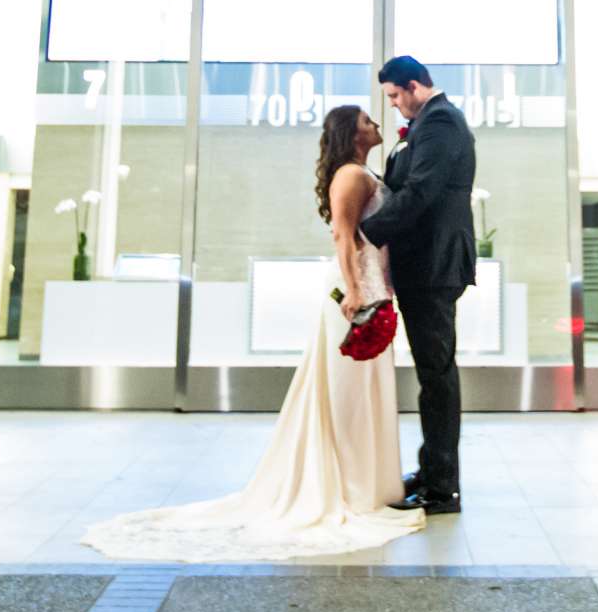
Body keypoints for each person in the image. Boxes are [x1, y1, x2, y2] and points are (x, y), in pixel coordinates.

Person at [80, 105, 423, 562]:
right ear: (350, 133)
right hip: (354, 295)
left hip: (372, 288)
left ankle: (363, 484)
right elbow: (343, 237)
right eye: (365, 120)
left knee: (364, 392)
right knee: (348, 395)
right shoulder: (351, 176)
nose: (375, 124)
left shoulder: (362, 172)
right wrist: (357, 291)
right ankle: (347, 486)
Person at [358, 54, 476, 516]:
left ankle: (442, 488)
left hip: (433, 265)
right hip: (423, 265)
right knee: (433, 375)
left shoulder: (441, 121)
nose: (393, 107)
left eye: (393, 96)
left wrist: (366, 235)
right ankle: (432, 473)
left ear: (412, 86)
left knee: (437, 375)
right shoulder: (430, 123)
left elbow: (422, 191)